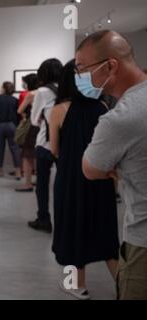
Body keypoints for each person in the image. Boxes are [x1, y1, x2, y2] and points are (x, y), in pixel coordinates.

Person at [77, 30, 147, 300]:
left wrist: (116, 166)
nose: (80, 76)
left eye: (82, 68)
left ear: (110, 66)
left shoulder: (120, 119)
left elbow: (91, 168)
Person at [50, 60, 119, 300]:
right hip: (100, 178)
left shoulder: (59, 110)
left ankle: (76, 285)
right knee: (106, 232)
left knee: (72, 229)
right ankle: (125, 285)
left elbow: (55, 150)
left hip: (70, 180)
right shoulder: (102, 107)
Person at [28, 58, 63, 233]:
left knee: (42, 184)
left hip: (45, 143)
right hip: (63, 144)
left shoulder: (42, 92)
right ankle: (64, 220)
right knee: (63, 184)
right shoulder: (67, 89)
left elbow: (34, 120)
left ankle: (44, 219)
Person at [16, 73, 39, 192]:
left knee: (27, 155)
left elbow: (20, 110)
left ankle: (28, 183)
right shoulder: (42, 92)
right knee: (37, 155)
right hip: (42, 126)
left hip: (32, 126)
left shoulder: (30, 94)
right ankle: (38, 180)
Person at [0, 82, 21, 179]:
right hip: (12, 125)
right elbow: (18, 114)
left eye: (1, 87)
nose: (0, 88)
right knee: (15, 148)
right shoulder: (15, 100)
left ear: (4, 88)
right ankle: (18, 171)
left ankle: (0, 170)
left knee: (0, 148)